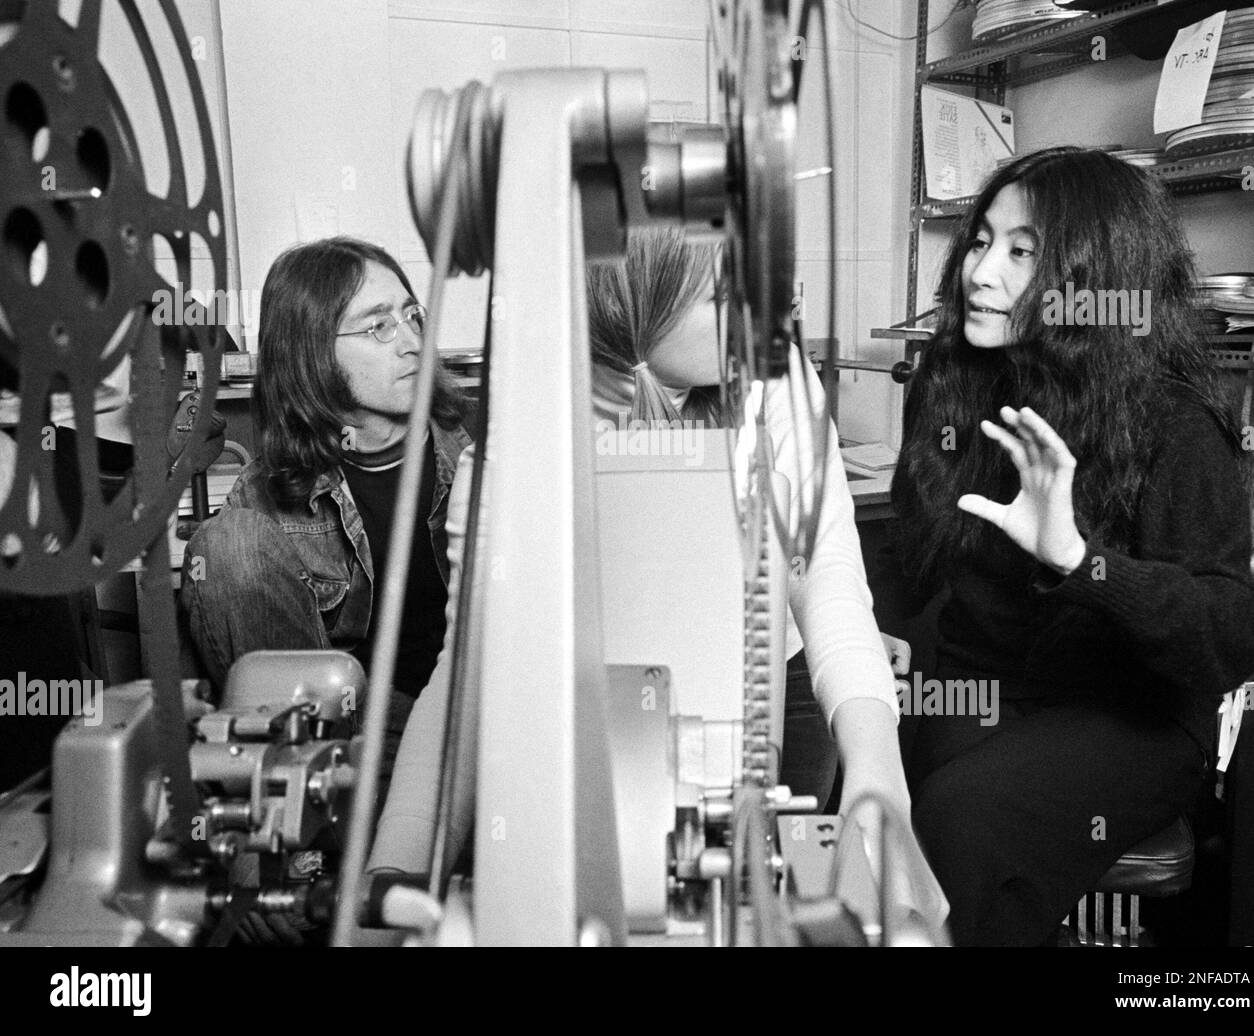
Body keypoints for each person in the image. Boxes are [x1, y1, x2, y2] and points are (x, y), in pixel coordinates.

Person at [370, 227, 948, 933]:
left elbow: (823, 572)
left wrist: (878, 769)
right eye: (721, 295)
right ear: (631, 307)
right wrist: (393, 863)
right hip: (606, 696)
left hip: (774, 685)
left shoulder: (775, 377)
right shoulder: (533, 427)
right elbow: (468, 666)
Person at [886, 146, 1254, 946]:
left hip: (1132, 709)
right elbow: (924, 558)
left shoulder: (1172, 421)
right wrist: (882, 635)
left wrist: (1078, 562)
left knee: (964, 816)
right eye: (982, 241)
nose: (980, 272)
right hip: (984, 672)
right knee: (887, 809)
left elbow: (1233, 636)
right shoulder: (955, 382)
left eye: (1023, 252)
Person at [179, 236, 470, 771]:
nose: (412, 342)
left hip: (472, 719)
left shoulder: (482, 453)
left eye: (412, 316)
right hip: (344, 740)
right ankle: (307, 806)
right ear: (313, 350)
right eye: (378, 326)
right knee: (227, 542)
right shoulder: (263, 497)